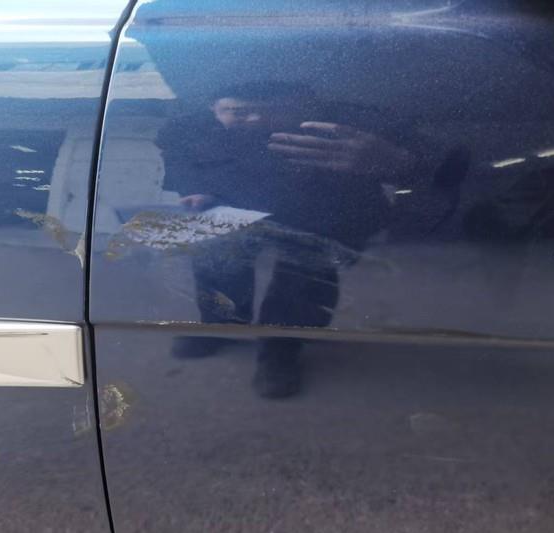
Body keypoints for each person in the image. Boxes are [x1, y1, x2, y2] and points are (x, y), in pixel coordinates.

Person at [157, 81, 467, 398]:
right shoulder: (190, 125)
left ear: (308, 103)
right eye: (237, 111)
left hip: (324, 204)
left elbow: (448, 161)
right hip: (232, 200)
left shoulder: (353, 120)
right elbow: (179, 157)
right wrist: (195, 189)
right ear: (212, 108)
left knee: (304, 276)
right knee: (218, 261)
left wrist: (398, 160)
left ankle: (282, 347)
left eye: (274, 111)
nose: (255, 119)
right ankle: (221, 324)